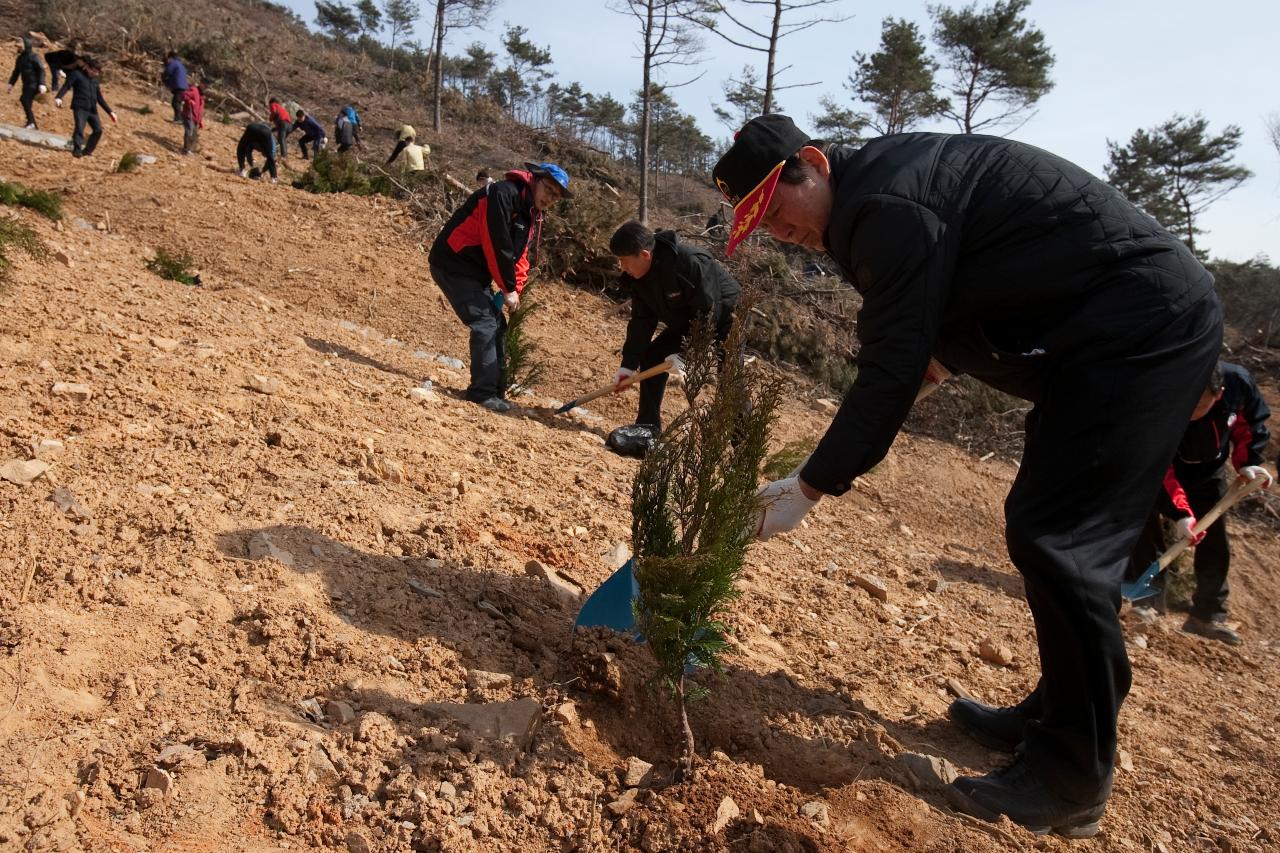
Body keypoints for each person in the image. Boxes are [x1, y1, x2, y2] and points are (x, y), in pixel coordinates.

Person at [715, 114, 1223, 837]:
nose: (775, 228)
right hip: (1106, 331)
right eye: (756, 220)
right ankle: (1055, 711)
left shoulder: (882, 207)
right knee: (1046, 522)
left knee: (1061, 536)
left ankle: (1072, 774)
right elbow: (942, 319)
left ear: (815, 164)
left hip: (1141, 325)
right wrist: (903, 387)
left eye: (776, 205)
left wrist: (809, 486)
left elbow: (892, 361)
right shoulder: (883, 194)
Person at [1127, 362, 1272, 643]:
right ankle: (1147, 606)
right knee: (1145, 530)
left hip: (1209, 470)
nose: (1190, 413)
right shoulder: (1163, 394)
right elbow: (1157, 464)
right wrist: (1180, 513)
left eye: (1198, 407)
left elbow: (1252, 424)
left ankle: (1206, 616)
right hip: (1160, 468)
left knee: (1215, 542)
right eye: (1187, 405)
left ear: (1218, 396)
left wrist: (1249, 463)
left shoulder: (1238, 384)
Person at [428, 162, 572, 412]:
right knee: (484, 323)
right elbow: (496, 243)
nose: (549, 198)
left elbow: (520, 255)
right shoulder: (502, 194)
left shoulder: (531, 212)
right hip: (452, 262)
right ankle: (481, 394)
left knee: (497, 324)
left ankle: (496, 392)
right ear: (534, 180)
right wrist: (507, 289)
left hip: (475, 272)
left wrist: (516, 289)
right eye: (548, 189)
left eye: (555, 196)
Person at [608, 220, 741, 432]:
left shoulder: (689, 262)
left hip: (727, 317)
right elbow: (642, 322)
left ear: (644, 254)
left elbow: (708, 310)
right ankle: (647, 429)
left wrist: (689, 353)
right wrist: (628, 366)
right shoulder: (639, 278)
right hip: (690, 322)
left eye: (624, 261)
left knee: (730, 379)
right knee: (652, 357)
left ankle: (743, 449)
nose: (622, 267)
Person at [54, 58, 117, 158]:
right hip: (80, 107)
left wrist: (110, 112)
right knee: (79, 128)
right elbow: (67, 86)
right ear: (87, 67)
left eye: (97, 72)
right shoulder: (76, 75)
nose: (95, 74)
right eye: (93, 71)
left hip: (92, 109)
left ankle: (87, 151)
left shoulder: (95, 82)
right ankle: (77, 150)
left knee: (98, 130)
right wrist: (59, 97)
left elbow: (100, 98)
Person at [7, 37, 46, 130]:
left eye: (20, 46)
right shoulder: (20, 58)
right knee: (27, 102)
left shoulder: (34, 57)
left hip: (34, 84)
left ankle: (32, 122)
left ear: (26, 46)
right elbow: (16, 72)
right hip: (26, 84)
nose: (18, 48)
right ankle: (31, 123)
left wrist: (42, 83)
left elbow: (41, 70)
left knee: (24, 99)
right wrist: (11, 84)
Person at [160, 51, 188, 123]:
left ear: (170, 57)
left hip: (179, 86)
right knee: (177, 102)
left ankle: (179, 118)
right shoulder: (180, 64)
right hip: (183, 86)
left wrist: (163, 77)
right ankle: (179, 118)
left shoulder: (173, 63)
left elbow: (168, 71)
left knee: (176, 103)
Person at [179, 81, 204, 155]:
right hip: (189, 115)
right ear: (201, 84)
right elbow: (183, 95)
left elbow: (200, 110)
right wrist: (189, 100)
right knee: (189, 131)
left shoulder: (202, 95)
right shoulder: (193, 89)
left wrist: (200, 121)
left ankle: (192, 149)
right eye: (204, 85)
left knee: (194, 134)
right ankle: (186, 149)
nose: (205, 87)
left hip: (196, 118)